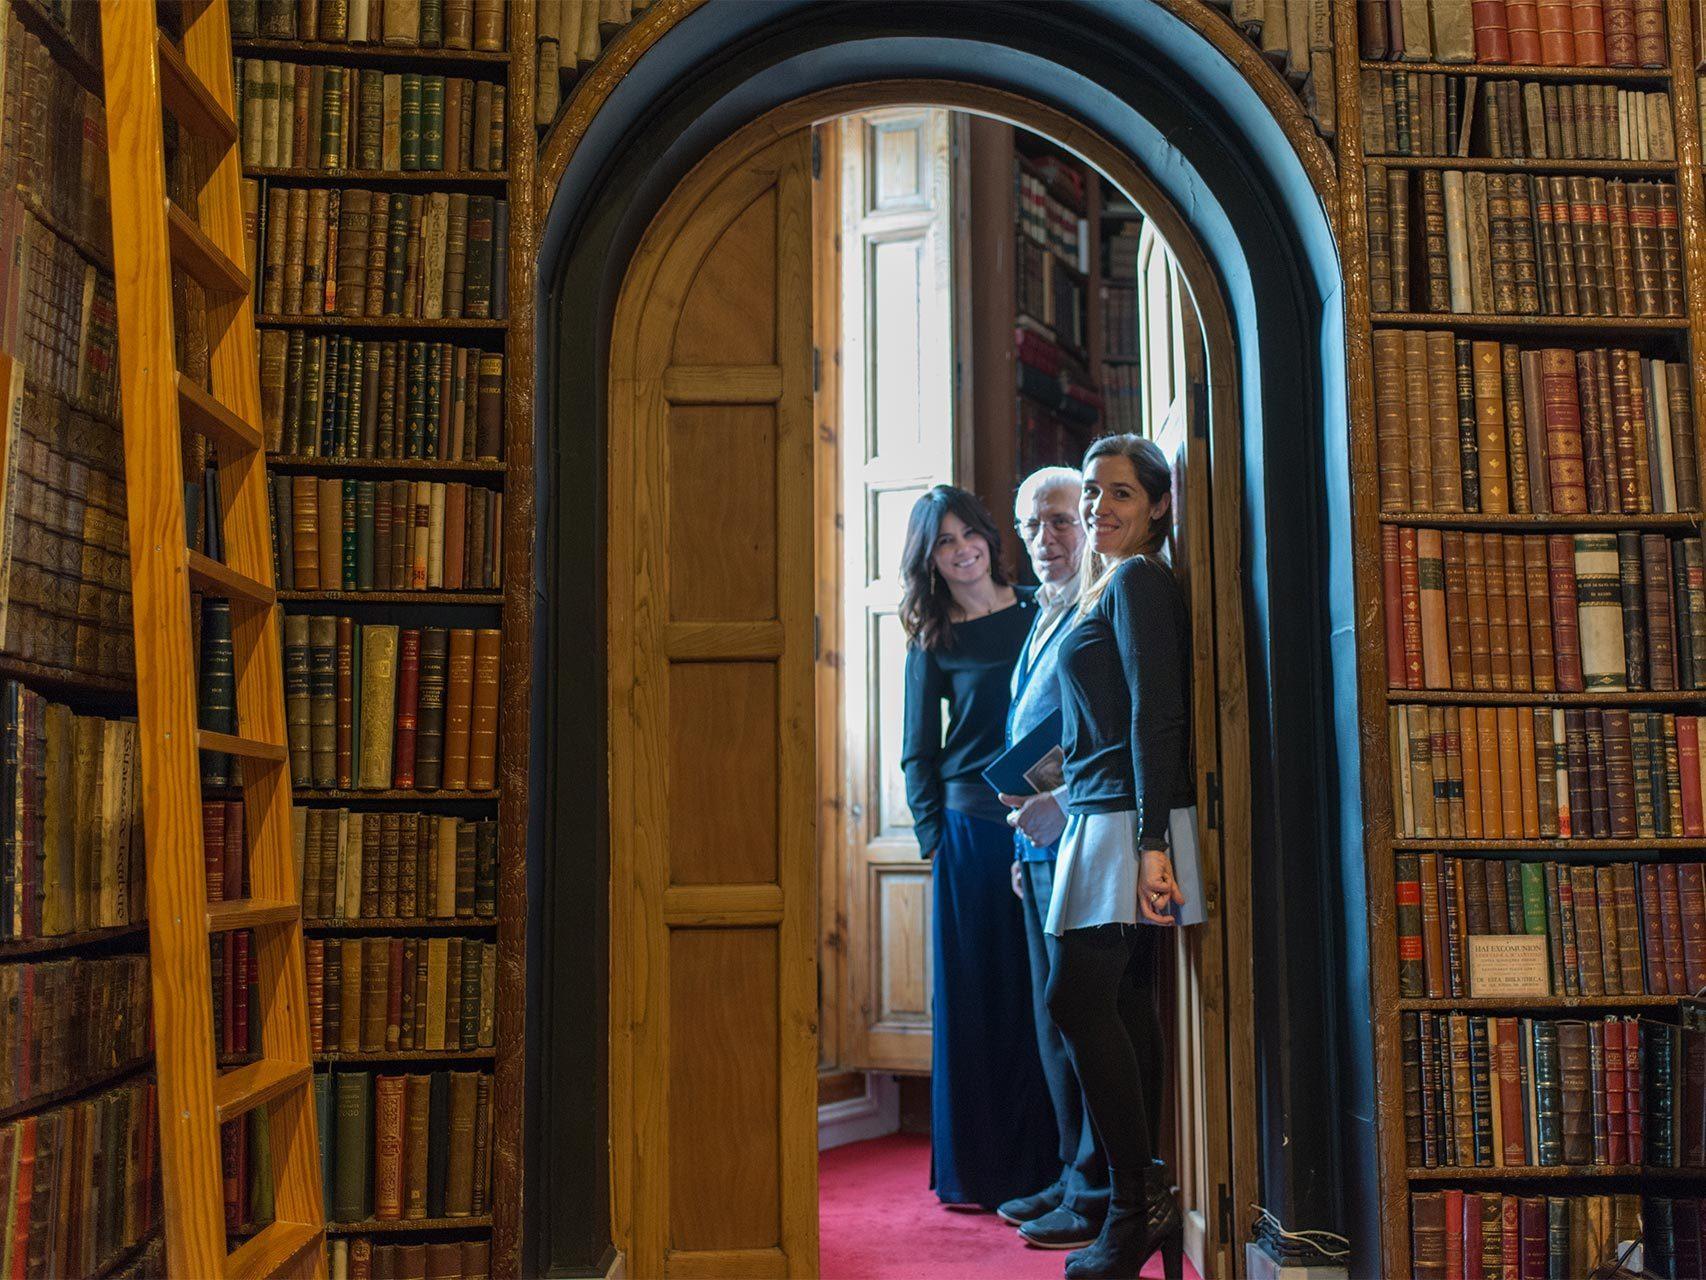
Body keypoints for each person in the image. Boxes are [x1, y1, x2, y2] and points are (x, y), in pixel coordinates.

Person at [1045, 435, 1203, 1280]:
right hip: (1099, 819)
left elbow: (1156, 716)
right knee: (1122, 1005)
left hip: (1126, 827)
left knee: (1074, 1001)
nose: (1101, 507)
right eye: (1093, 492)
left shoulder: (1140, 581)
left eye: (1121, 495)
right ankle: (1141, 1209)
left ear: (1158, 508)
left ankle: (1132, 1208)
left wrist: (1151, 845)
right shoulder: (1101, 585)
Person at [899, 484, 1058, 1212]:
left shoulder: (1038, 611)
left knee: (1037, 997)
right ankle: (975, 1174)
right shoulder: (934, 639)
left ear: (991, 538)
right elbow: (916, 754)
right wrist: (934, 838)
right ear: (929, 560)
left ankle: (1042, 1170)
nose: (963, 550)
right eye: (944, 542)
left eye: (970, 535)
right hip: (966, 833)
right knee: (972, 998)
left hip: (1046, 819)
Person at [991, 467, 1110, 1250]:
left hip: (1087, 841)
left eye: (1062, 520)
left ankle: (1099, 1191)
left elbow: (1113, 732)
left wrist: (1057, 808)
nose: (1047, 539)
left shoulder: (1104, 606)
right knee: (1049, 1019)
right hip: (1034, 848)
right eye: (1033, 526)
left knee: (1085, 1022)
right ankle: (1071, 1175)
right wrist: (1021, 833)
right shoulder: (1040, 613)